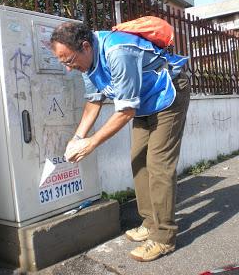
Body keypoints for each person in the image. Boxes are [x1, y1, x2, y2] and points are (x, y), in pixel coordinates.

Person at [50, 21, 190, 262]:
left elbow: (125, 111)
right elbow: (94, 102)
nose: (69, 68)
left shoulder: (118, 52)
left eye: (69, 60)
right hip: (144, 103)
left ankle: (164, 237)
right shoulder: (89, 63)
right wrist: (77, 138)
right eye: (63, 63)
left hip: (168, 96)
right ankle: (149, 223)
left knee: (158, 166)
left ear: (85, 46)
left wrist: (91, 143)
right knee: (138, 160)